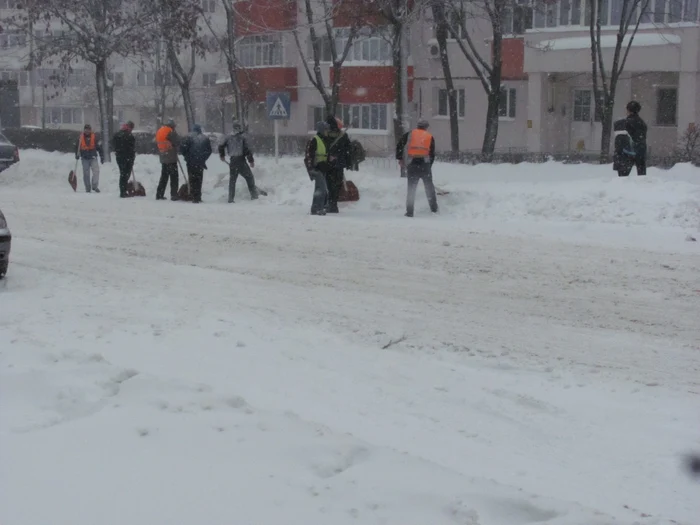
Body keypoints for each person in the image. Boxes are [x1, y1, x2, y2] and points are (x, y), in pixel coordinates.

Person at [396, 119, 438, 217]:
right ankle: (434, 210)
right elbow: (432, 154)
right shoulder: (429, 136)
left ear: (418, 126)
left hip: (412, 164)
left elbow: (400, 146)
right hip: (425, 165)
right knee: (429, 188)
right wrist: (429, 166)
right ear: (426, 127)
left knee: (411, 189)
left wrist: (400, 159)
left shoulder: (409, 134)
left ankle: (410, 212)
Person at [218, 120, 258, 203]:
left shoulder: (228, 137)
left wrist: (222, 155)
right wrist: (251, 161)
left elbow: (221, 146)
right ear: (239, 128)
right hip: (241, 160)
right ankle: (254, 196)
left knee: (232, 180)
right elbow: (247, 150)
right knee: (249, 177)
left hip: (233, 161)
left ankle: (230, 199)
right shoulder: (242, 137)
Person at [324, 115, 352, 213]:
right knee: (337, 184)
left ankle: (329, 203)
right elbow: (348, 149)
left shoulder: (325, 135)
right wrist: (345, 160)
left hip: (328, 163)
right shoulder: (343, 135)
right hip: (339, 163)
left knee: (329, 184)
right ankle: (334, 204)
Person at [304, 121, 332, 215]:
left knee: (319, 189)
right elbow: (309, 155)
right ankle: (318, 208)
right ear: (322, 130)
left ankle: (316, 208)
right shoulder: (314, 140)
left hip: (322, 167)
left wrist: (329, 159)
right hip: (316, 168)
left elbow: (323, 154)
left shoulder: (324, 140)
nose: (327, 131)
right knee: (322, 189)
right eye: (326, 130)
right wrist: (311, 168)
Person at [179, 124, 212, 203]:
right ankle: (198, 196)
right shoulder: (205, 138)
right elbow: (209, 151)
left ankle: (193, 196)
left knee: (192, 178)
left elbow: (183, 149)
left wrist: (187, 157)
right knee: (199, 178)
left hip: (190, 162)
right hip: (200, 162)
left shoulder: (188, 137)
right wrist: (203, 158)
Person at [155, 118, 181, 200]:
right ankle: (174, 195)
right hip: (171, 156)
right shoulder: (170, 131)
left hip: (163, 156)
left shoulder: (160, 130)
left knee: (164, 176)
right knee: (174, 177)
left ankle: (159, 194)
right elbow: (177, 141)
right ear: (172, 126)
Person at [75, 123, 103, 193]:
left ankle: (94, 186)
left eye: (88, 130)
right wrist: (77, 154)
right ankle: (87, 188)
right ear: (84, 130)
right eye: (86, 129)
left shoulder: (94, 137)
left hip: (93, 157)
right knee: (86, 174)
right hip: (84, 158)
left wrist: (102, 156)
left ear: (90, 130)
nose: (87, 131)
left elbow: (99, 148)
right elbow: (76, 147)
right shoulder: (80, 138)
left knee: (96, 172)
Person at [112, 121, 136, 198]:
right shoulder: (129, 136)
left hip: (119, 157)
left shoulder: (117, 134)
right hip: (127, 157)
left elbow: (113, 144)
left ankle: (123, 191)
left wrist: (117, 151)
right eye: (131, 128)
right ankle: (123, 191)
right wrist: (132, 158)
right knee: (125, 174)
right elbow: (131, 148)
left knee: (122, 174)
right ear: (130, 127)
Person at [625, 100, 647, 176]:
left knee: (623, 176)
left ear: (628, 110)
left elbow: (625, 137)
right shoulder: (642, 122)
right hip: (641, 148)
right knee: (641, 174)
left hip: (629, 150)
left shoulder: (627, 122)